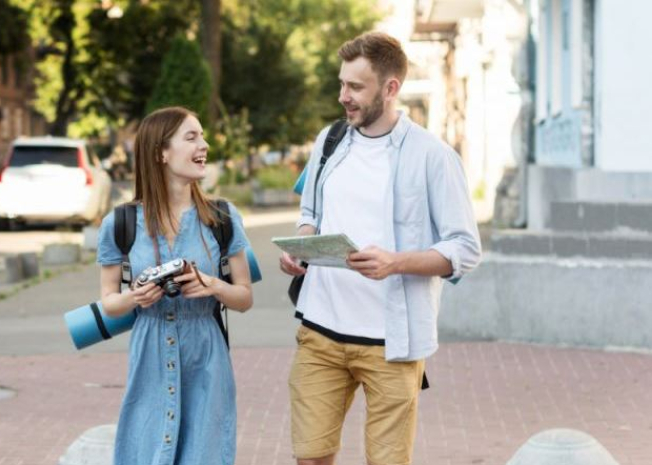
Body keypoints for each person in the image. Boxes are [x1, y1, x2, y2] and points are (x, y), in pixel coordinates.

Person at [279, 32, 482, 465]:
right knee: (310, 457)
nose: (343, 97)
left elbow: (465, 248)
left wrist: (396, 263)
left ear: (390, 89)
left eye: (355, 87)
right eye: (341, 84)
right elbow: (310, 208)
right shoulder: (329, 140)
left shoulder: (433, 156)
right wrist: (301, 246)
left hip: (392, 342)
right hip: (319, 332)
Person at [97, 106, 254, 465]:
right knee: (145, 453)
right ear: (160, 153)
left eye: (202, 135)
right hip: (149, 353)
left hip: (206, 356)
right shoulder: (120, 223)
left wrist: (213, 286)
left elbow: (244, 297)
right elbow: (108, 301)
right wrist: (135, 297)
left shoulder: (223, 217)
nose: (205, 144)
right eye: (191, 137)